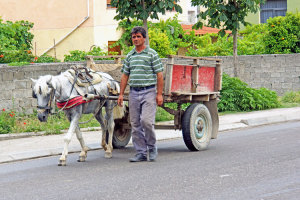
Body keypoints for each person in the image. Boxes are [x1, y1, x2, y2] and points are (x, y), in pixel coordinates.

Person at [117, 26, 164, 162]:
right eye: (134, 37)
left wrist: (159, 94)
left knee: (146, 122)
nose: (136, 39)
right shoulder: (130, 56)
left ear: (144, 38)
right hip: (133, 93)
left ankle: (152, 147)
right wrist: (121, 94)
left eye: (138, 36)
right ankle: (141, 153)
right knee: (135, 124)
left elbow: (159, 75)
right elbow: (125, 76)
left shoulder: (151, 54)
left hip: (148, 92)